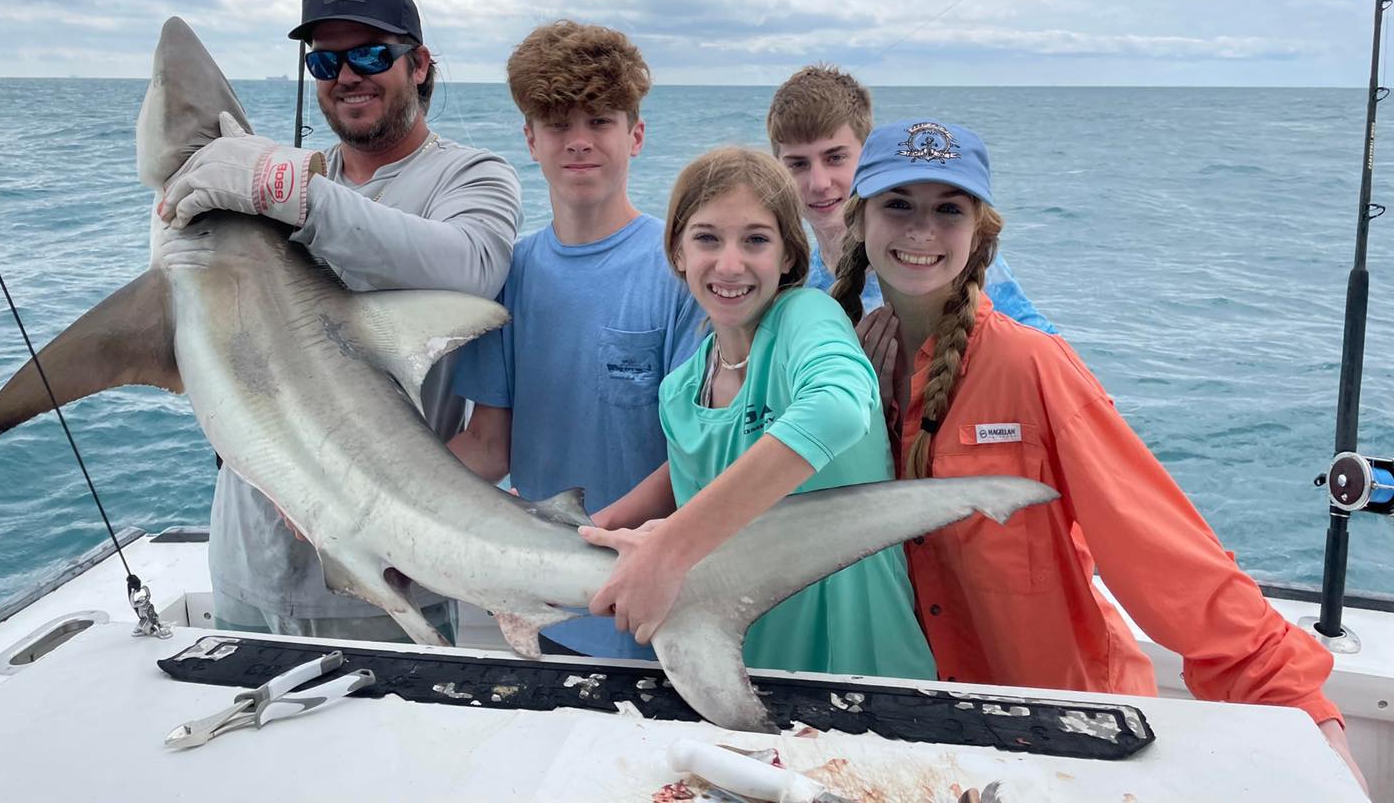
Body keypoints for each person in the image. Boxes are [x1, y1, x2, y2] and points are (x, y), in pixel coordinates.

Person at [831, 118, 1366, 793]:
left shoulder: (1033, 366)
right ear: (859, 222)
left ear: (981, 234)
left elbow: (1168, 558)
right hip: (916, 734)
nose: (920, 230)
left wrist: (1302, 713)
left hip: (1068, 735)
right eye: (898, 204)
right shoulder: (836, 368)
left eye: (948, 209)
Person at [160, 0, 522, 641]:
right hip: (245, 564)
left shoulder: (469, 177)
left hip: (381, 580)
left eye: (370, 54)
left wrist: (294, 197)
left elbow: (472, 267)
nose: (346, 74)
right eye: (325, 60)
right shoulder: (272, 190)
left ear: (419, 65)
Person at [579, 147, 933, 679]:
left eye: (755, 240)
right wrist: (586, 530)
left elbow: (837, 408)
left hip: (866, 669)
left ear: (789, 256)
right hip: (749, 673)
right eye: (706, 238)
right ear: (676, 252)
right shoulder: (679, 393)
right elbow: (710, 499)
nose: (729, 264)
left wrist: (669, 549)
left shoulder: (805, 318)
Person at [449, 20, 702, 659]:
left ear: (636, 135)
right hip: (546, 615)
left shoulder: (686, 274)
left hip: (660, 614)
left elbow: (700, 457)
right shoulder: (509, 275)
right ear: (530, 140)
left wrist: (595, 534)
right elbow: (488, 445)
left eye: (601, 121)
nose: (579, 142)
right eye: (559, 124)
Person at [766, 64, 1053, 330]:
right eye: (798, 164)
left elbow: (1044, 349)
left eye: (836, 158)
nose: (819, 183)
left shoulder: (948, 258)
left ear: (868, 158)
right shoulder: (792, 284)